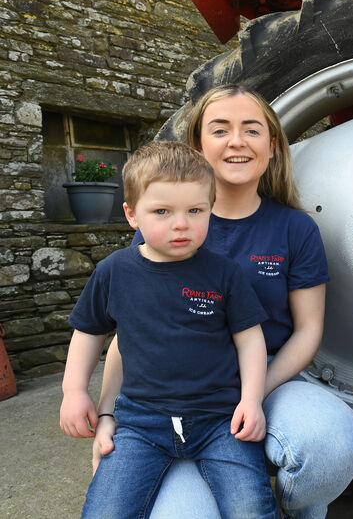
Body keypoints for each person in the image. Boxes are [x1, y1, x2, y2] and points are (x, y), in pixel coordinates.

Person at [90, 85, 353, 519]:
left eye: (251, 130)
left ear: (272, 146)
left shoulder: (296, 229)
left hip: (269, 377)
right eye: (220, 130)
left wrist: (252, 394)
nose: (237, 140)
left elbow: (309, 329)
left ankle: (289, 509)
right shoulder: (161, 226)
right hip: (176, 397)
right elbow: (130, 334)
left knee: (330, 444)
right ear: (198, 146)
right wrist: (108, 414)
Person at [59, 141, 277, 518]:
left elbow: (250, 340)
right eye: (162, 211)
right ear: (132, 215)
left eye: (196, 210)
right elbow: (89, 334)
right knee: (104, 512)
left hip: (220, 421)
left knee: (250, 508)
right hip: (140, 424)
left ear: (211, 209)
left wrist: (252, 400)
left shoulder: (224, 273)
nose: (181, 224)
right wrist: (75, 391)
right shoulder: (114, 271)